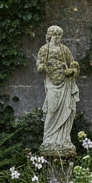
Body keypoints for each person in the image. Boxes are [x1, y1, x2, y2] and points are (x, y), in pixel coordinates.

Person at [36, 25, 80, 153]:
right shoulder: (44, 50)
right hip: (51, 82)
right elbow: (39, 66)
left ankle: (63, 139)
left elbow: (73, 64)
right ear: (50, 36)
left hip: (65, 83)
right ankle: (48, 138)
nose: (57, 38)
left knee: (67, 108)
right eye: (55, 36)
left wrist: (72, 70)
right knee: (52, 108)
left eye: (59, 36)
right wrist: (42, 67)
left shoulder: (64, 49)